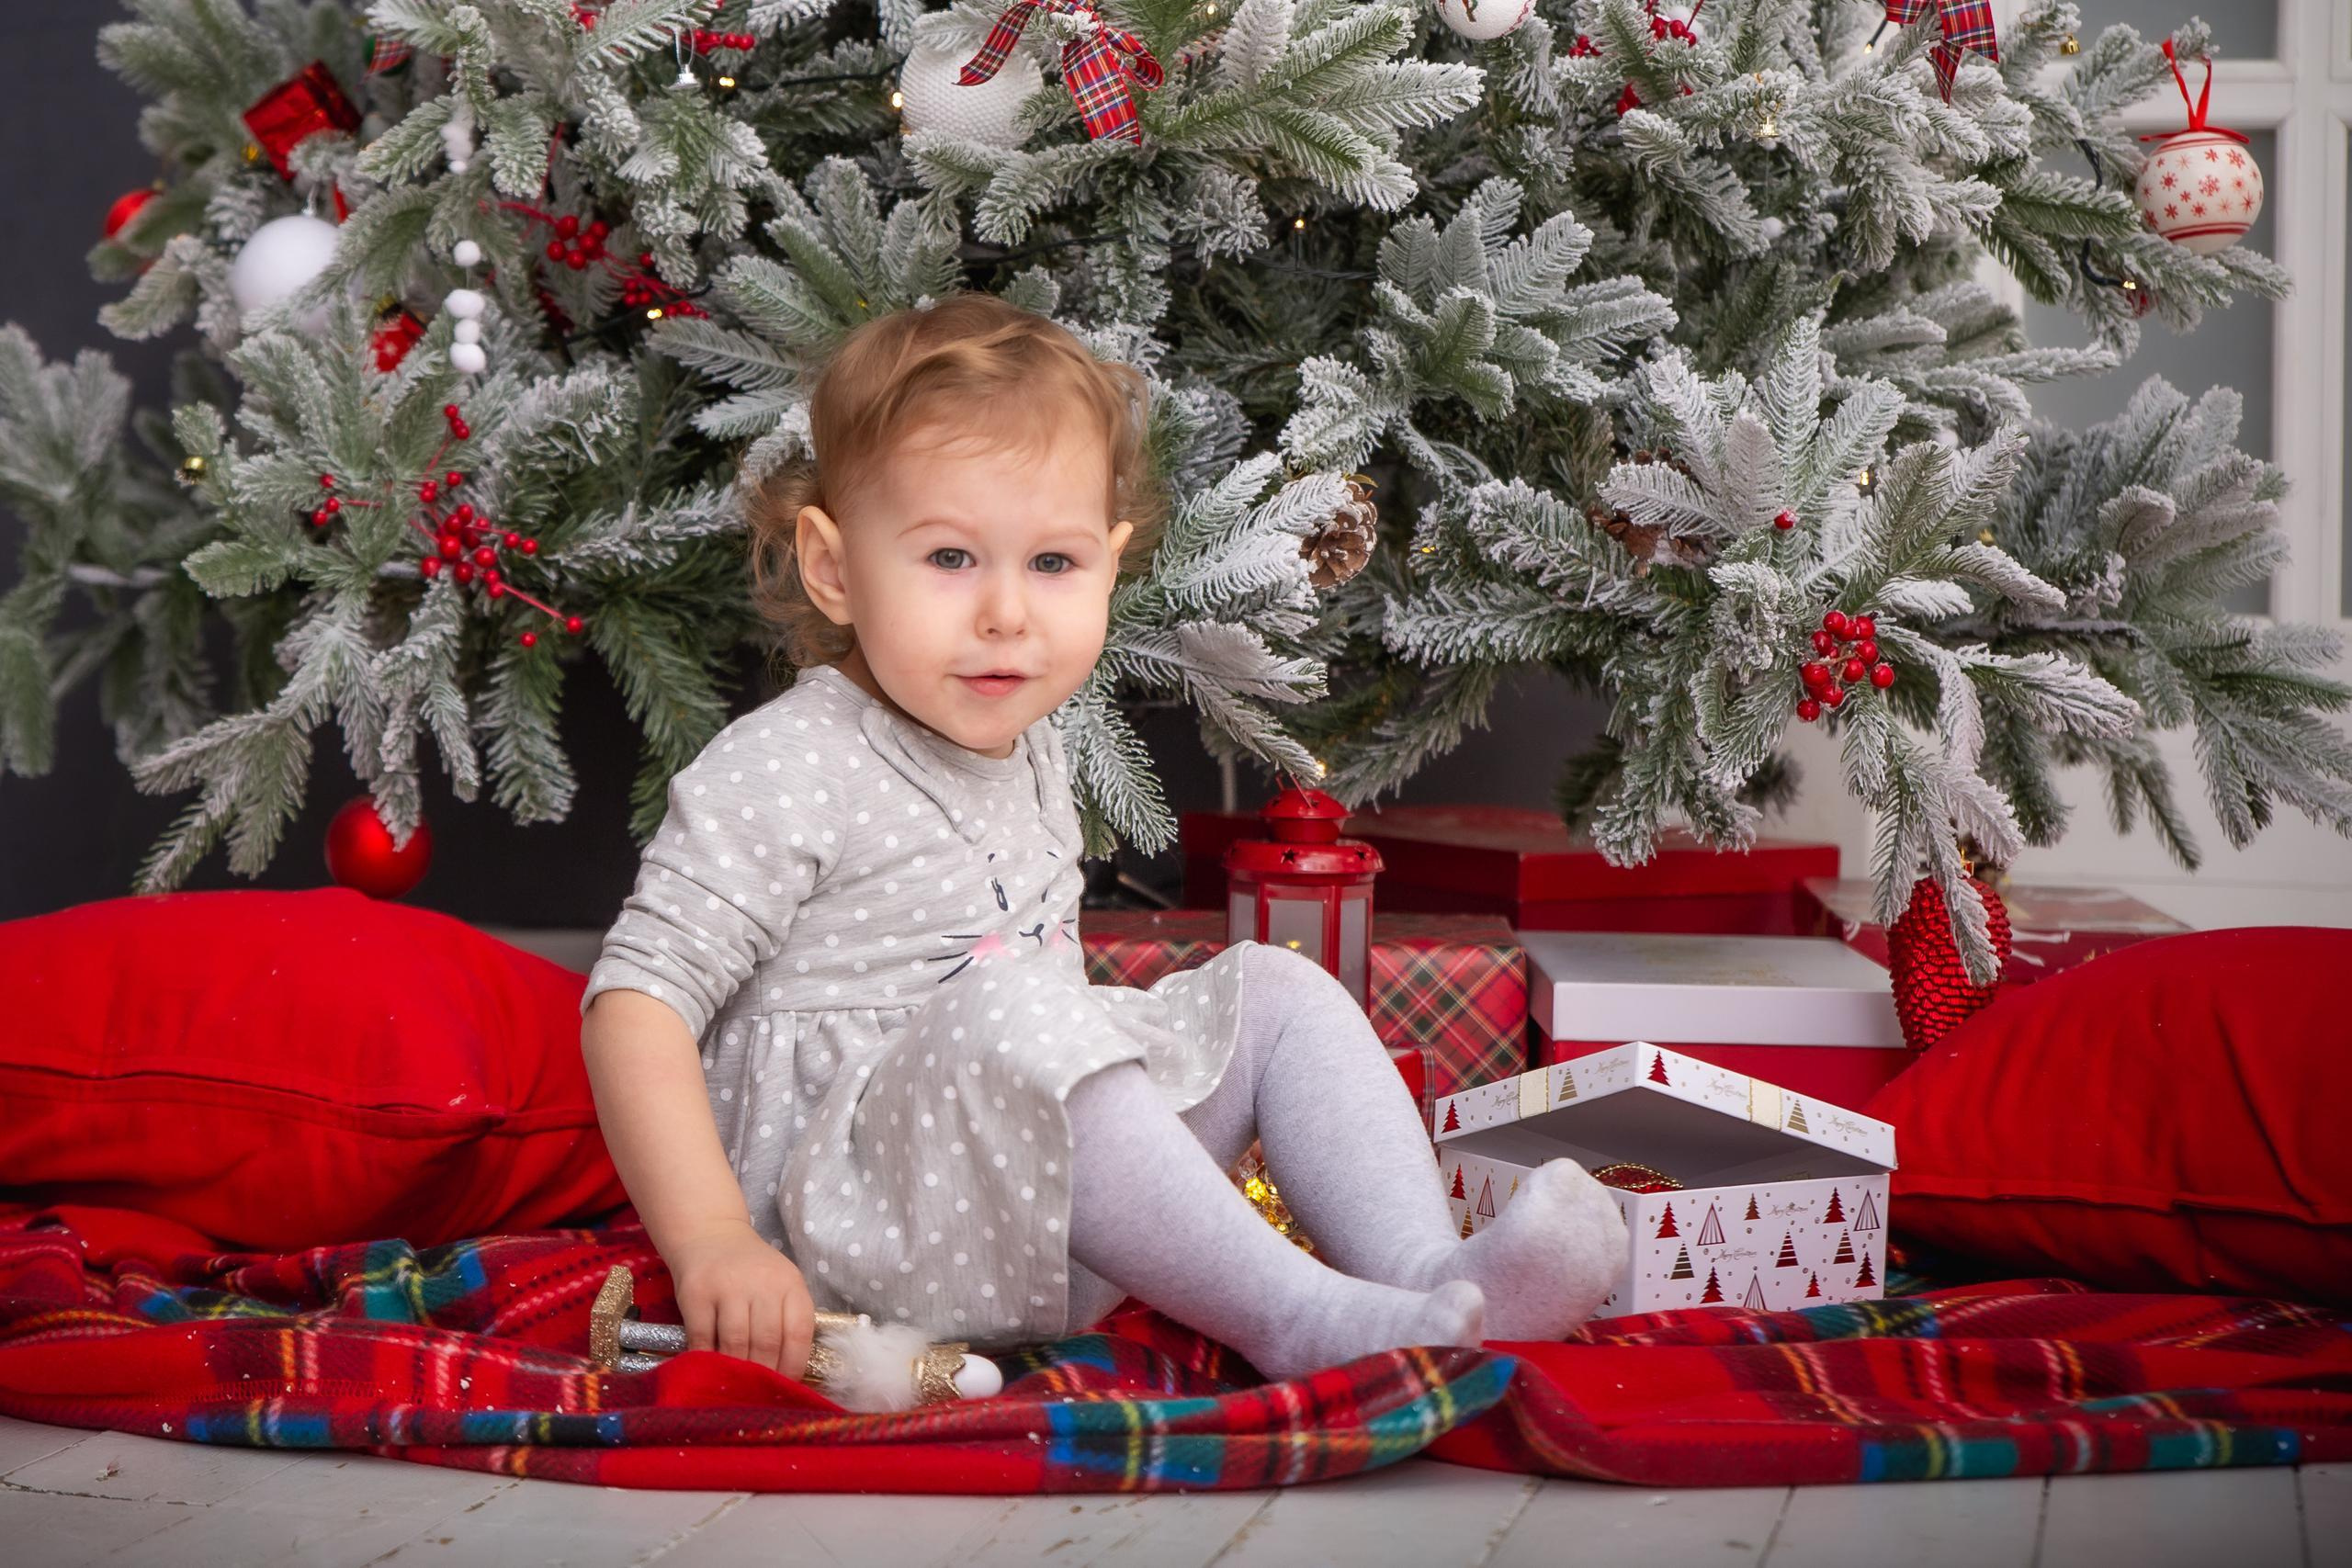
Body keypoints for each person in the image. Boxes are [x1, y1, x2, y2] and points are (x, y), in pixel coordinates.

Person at [579, 292, 1624, 1384]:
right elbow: (635, 1004)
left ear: (1111, 566)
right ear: (834, 568)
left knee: (1273, 991)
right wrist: (713, 1242)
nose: (1005, 614)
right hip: (852, 1250)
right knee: (1021, 1010)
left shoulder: (1034, 744)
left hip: (1046, 1232)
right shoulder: (788, 764)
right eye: (947, 558)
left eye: (1052, 564)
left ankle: (1425, 1282)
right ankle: (1293, 1314)